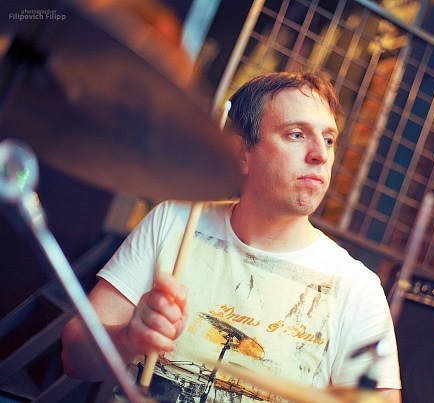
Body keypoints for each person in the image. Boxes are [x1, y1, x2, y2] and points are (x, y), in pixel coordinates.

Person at [61, 71, 402, 402]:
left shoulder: (356, 288)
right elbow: (74, 359)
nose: (321, 154)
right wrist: (128, 338)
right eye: (297, 134)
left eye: (328, 139)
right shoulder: (176, 221)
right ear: (241, 154)